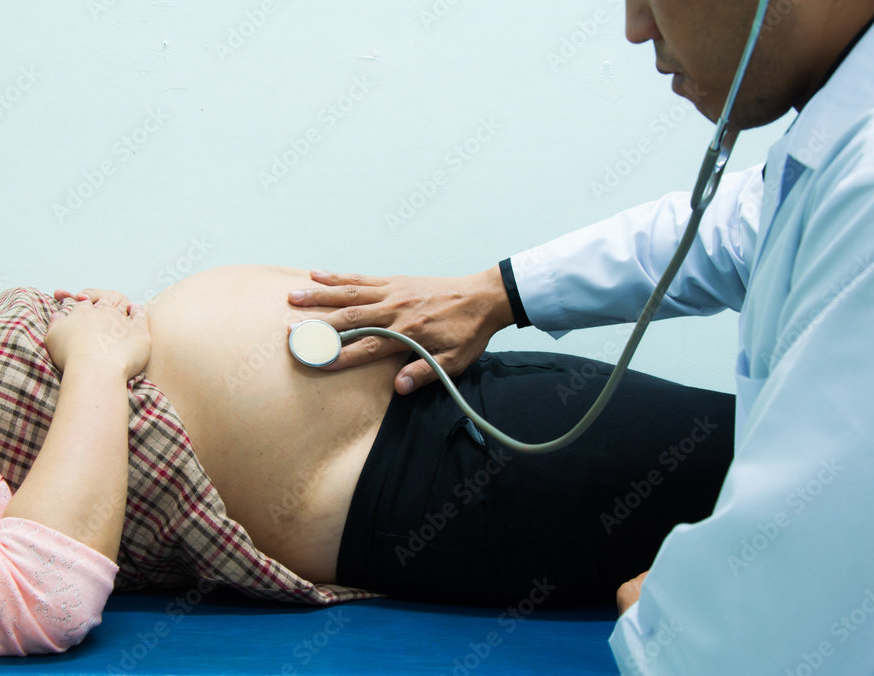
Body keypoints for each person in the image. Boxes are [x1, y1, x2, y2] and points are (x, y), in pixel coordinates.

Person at [287, 0, 874, 672]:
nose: (636, 27)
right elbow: (734, 228)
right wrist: (499, 291)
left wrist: (671, 620)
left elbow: (779, 616)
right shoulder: (836, 143)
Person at [0, 265, 736, 656]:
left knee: (806, 461)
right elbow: (31, 596)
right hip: (428, 482)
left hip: (449, 397)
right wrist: (98, 360)